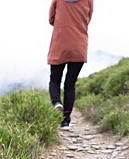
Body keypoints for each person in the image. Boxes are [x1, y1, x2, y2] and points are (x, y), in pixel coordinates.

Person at [48, 0, 94, 130]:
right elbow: (88, 18)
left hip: (60, 44)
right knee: (70, 83)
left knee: (54, 80)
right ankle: (66, 121)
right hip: (79, 45)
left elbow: (51, 19)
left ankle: (57, 102)